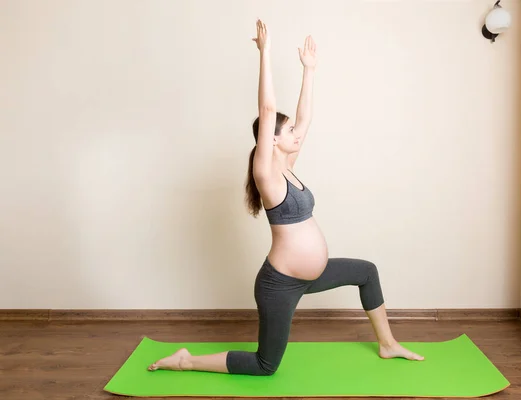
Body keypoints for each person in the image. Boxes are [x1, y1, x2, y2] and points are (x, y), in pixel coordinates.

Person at [148, 19, 424, 376]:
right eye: (288, 130)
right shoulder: (267, 175)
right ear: (271, 139)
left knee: (366, 272)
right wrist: (265, 54)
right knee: (266, 365)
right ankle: (186, 360)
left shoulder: (289, 166)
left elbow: (305, 120)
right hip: (279, 284)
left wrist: (309, 71)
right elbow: (267, 112)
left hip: (312, 274)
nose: (297, 132)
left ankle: (388, 344)